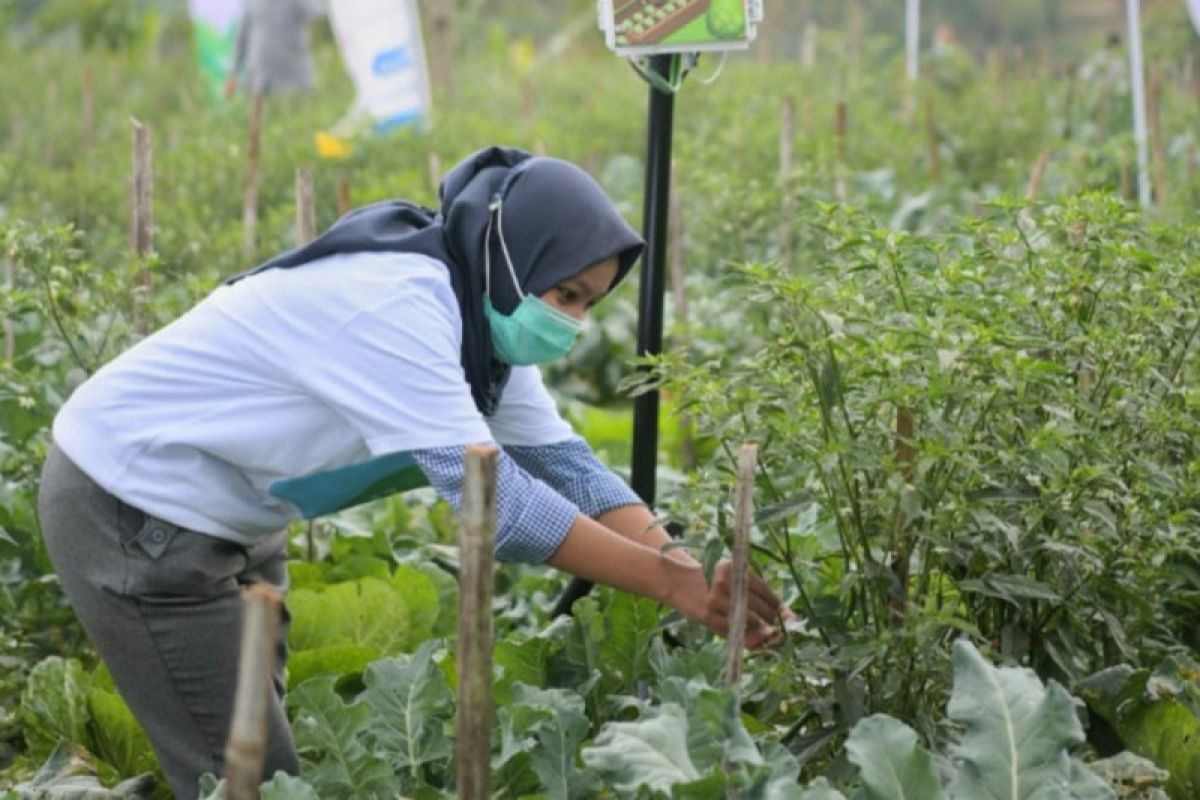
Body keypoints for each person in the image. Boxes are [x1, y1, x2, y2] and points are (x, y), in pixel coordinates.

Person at [36, 146, 790, 798]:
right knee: (245, 778)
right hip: (131, 511)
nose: (574, 322)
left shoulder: (482, 318)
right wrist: (672, 586)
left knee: (255, 758)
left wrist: (689, 568)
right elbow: (495, 503)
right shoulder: (398, 306)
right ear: (513, 252)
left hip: (233, 516)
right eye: (566, 295)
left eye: (589, 303)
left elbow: (567, 468)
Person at [224, 0, 324, 99]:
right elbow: (242, 37)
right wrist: (233, 73)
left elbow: (319, 17)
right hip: (262, 83)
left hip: (296, 78)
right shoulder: (250, 3)